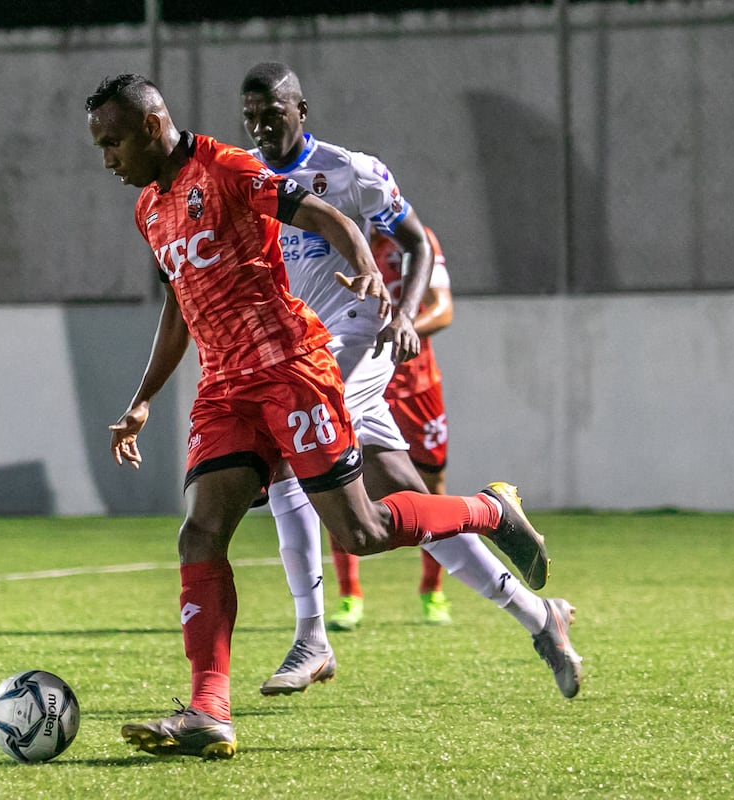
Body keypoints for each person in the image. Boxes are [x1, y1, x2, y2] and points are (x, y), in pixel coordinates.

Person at [87, 73, 550, 760]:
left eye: (114, 141)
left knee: (361, 532)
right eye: (101, 145)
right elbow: (178, 306)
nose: (108, 159)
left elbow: (320, 214)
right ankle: (209, 711)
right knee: (199, 534)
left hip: (290, 370)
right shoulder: (149, 210)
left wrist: (365, 263)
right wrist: (144, 396)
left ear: (153, 127)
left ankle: (489, 510)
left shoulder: (228, 167)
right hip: (225, 390)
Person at [239, 62, 581, 701]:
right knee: (409, 499)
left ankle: (312, 636)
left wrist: (402, 309)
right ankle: (542, 616)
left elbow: (418, 244)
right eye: (250, 113)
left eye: (272, 112)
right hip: (301, 350)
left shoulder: (352, 172)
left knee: (290, 447)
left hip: (358, 338)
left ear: (301, 110)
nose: (260, 124)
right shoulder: (246, 178)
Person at [327, 226, 457, 631]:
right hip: (357, 380)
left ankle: (432, 591)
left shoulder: (418, 240)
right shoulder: (338, 238)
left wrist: (399, 332)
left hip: (416, 384)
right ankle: (349, 598)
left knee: (431, 486)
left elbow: (443, 309)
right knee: (336, 481)